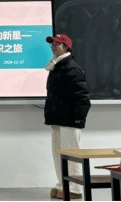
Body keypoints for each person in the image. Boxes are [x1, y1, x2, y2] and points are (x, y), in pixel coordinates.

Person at [44, 34, 91, 200]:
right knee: (58, 154)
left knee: (71, 154)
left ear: (66, 47)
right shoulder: (57, 67)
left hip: (70, 120)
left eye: (57, 44)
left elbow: (82, 97)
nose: (53, 47)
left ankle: (75, 188)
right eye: (52, 44)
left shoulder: (72, 68)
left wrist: (78, 119)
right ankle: (63, 184)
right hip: (57, 118)